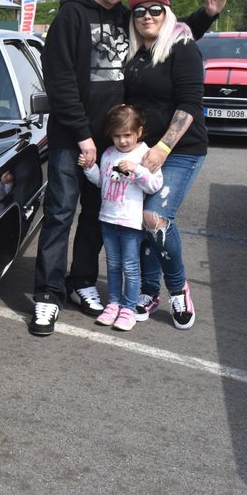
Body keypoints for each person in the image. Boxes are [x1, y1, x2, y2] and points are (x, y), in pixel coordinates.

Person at [28, 0, 231, 337]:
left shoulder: (126, 15)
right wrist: (83, 136)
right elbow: (60, 82)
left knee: (96, 215)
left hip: (112, 143)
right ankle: (47, 296)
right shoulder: (71, 15)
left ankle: (81, 283)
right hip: (73, 138)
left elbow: (166, 25)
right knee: (59, 214)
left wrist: (205, 16)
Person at [123, 0, 209, 330]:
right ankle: (147, 290)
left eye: (155, 9)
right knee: (141, 223)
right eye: (140, 10)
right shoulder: (132, 54)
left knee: (155, 218)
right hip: (140, 151)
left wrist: (163, 148)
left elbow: (189, 104)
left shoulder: (182, 48)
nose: (147, 16)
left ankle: (177, 289)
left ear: (167, 13)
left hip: (180, 151)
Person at [80, 104, 163, 332]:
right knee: (113, 265)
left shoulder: (144, 155)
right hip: (108, 218)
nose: (122, 141)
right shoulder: (108, 154)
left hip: (130, 222)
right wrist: (89, 168)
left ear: (139, 132)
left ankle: (128, 308)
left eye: (127, 135)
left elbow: (155, 184)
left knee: (130, 266)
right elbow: (101, 181)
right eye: (117, 136)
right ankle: (114, 303)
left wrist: (137, 170)